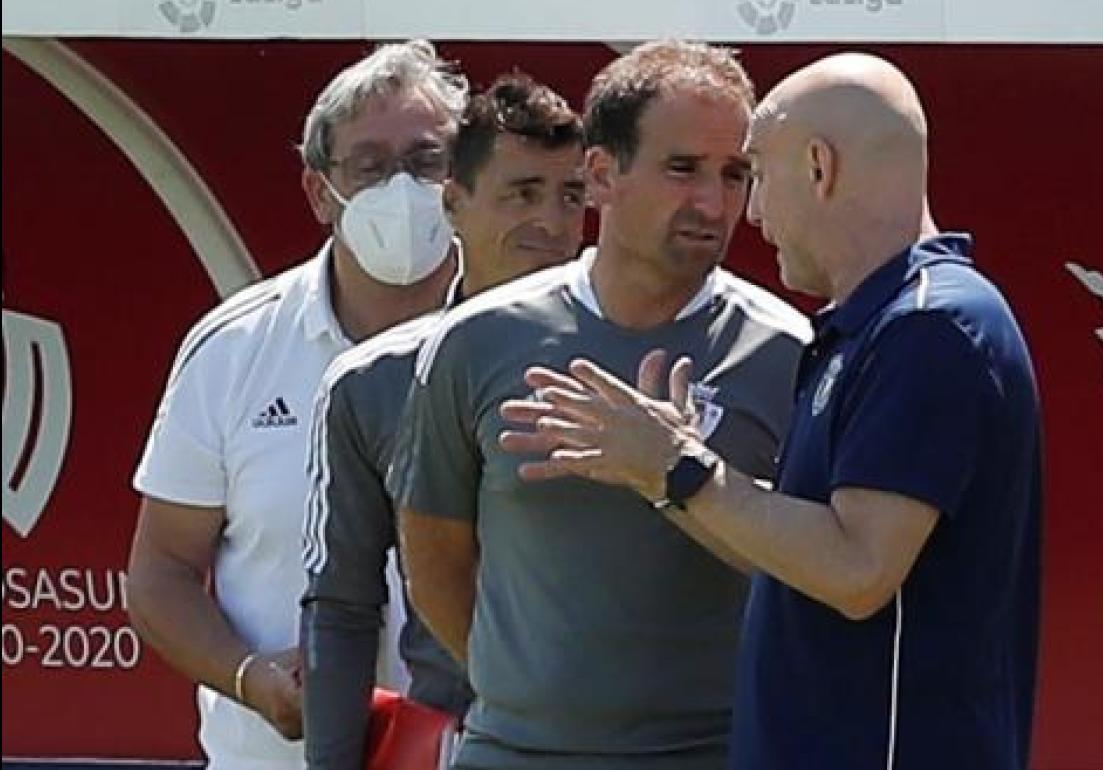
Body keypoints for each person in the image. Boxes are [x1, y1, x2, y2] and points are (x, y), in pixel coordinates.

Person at [500, 52, 1043, 770]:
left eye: (753, 174)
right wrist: (666, 474)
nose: (748, 213)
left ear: (819, 168)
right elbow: (805, 552)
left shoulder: (929, 327)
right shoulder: (875, 325)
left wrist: (677, 466)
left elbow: (856, 570)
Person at [389, 40, 811, 770]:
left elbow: (818, 568)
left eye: (735, 173)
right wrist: (531, 701)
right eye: (682, 169)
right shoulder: (478, 342)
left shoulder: (789, 353)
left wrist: (678, 476)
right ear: (600, 174)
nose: (713, 203)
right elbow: (432, 558)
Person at [127, 40, 468, 767]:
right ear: (320, 192)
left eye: (426, 160)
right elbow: (161, 572)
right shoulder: (234, 347)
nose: (401, 190)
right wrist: (250, 679)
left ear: (462, 178)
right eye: (370, 167)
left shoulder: (519, 335)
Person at [299, 72, 588, 770]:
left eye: (572, 196)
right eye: (522, 194)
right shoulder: (373, 382)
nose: (550, 222)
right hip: (457, 735)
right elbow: (340, 606)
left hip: (629, 740)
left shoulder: (643, 362)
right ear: (453, 203)